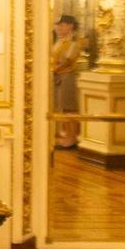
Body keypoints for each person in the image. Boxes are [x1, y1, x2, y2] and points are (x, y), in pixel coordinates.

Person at [52, 13, 83, 148]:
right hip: (59, 77)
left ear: (70, 26)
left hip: (68, 76)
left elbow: (68, 60)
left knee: (70, 109)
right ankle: (67, 135)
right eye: (58, 25)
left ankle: (72, 137)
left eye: (62, 25)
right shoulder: (60, 40)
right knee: (63, 109)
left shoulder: (74, 41)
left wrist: (54, 69)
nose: (59, 28)